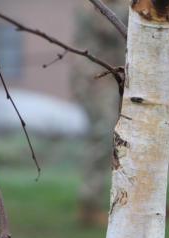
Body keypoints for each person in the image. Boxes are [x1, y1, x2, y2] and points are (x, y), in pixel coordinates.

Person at [71, 1, 127, 225]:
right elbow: (111, 30)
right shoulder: (91, 5)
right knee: (102, 135)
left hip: (114, 76)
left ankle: (111, 199)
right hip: (95, 77)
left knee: (116, 137)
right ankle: (90, 203)